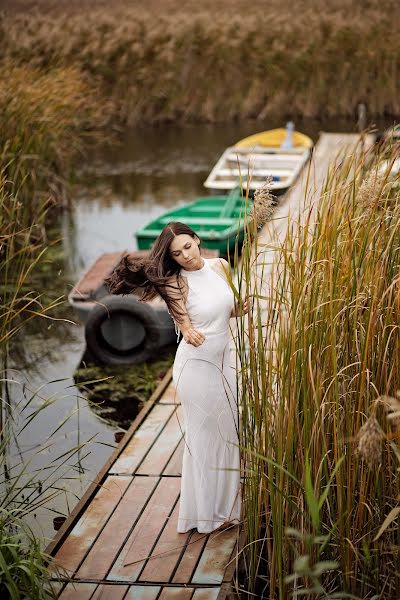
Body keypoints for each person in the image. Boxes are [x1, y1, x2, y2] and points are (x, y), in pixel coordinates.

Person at [105, 221, 248, 534]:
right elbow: (184, 321)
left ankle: (228, 508)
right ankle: (206, 514)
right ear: (171, 257)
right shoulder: (174, 282)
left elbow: (228, 309)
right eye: (177, 253)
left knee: (228, 432)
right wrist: (187, 330)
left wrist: (242, 307)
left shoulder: (221, 266)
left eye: (188, 245)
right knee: (205, 437)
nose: (185, 255)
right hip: (196, 367)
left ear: (197, 240)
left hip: (225, 361)